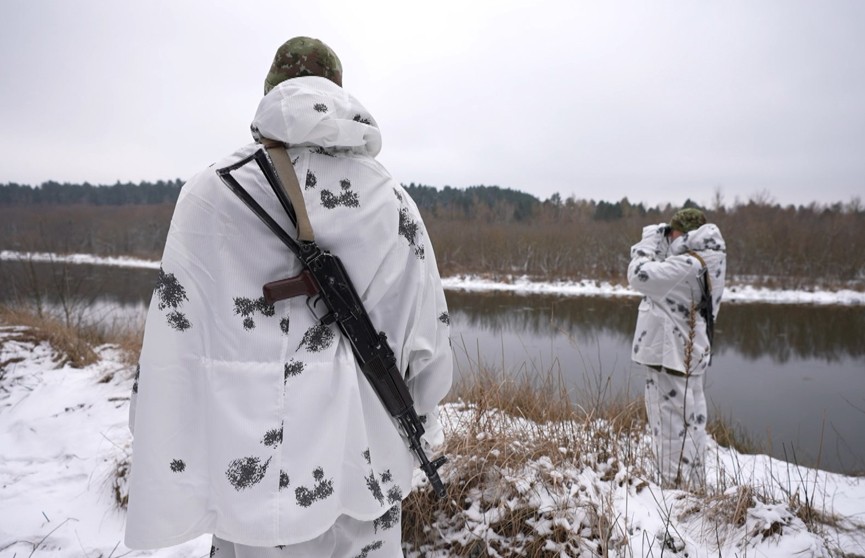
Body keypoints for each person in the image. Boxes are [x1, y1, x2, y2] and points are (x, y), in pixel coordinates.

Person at [125, 37, 453, 557]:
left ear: (270, 91)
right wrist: (420, 429)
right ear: (337, 93)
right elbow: (429, 343)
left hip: (252, 494)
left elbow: (171, 341)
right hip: (365, 470)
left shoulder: (210, 192)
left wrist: (157, 434)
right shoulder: (392, 201)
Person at [627, 208, 726, 489]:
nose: (667, 237)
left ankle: (673, 492)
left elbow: (637, 275)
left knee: (669, 427)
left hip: (670, 356)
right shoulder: (709, 259)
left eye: (671, 233)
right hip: (689, 354)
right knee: (692, 424)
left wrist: (647, 244)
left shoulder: (686, 267)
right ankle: (693, 487)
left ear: (684, 234)